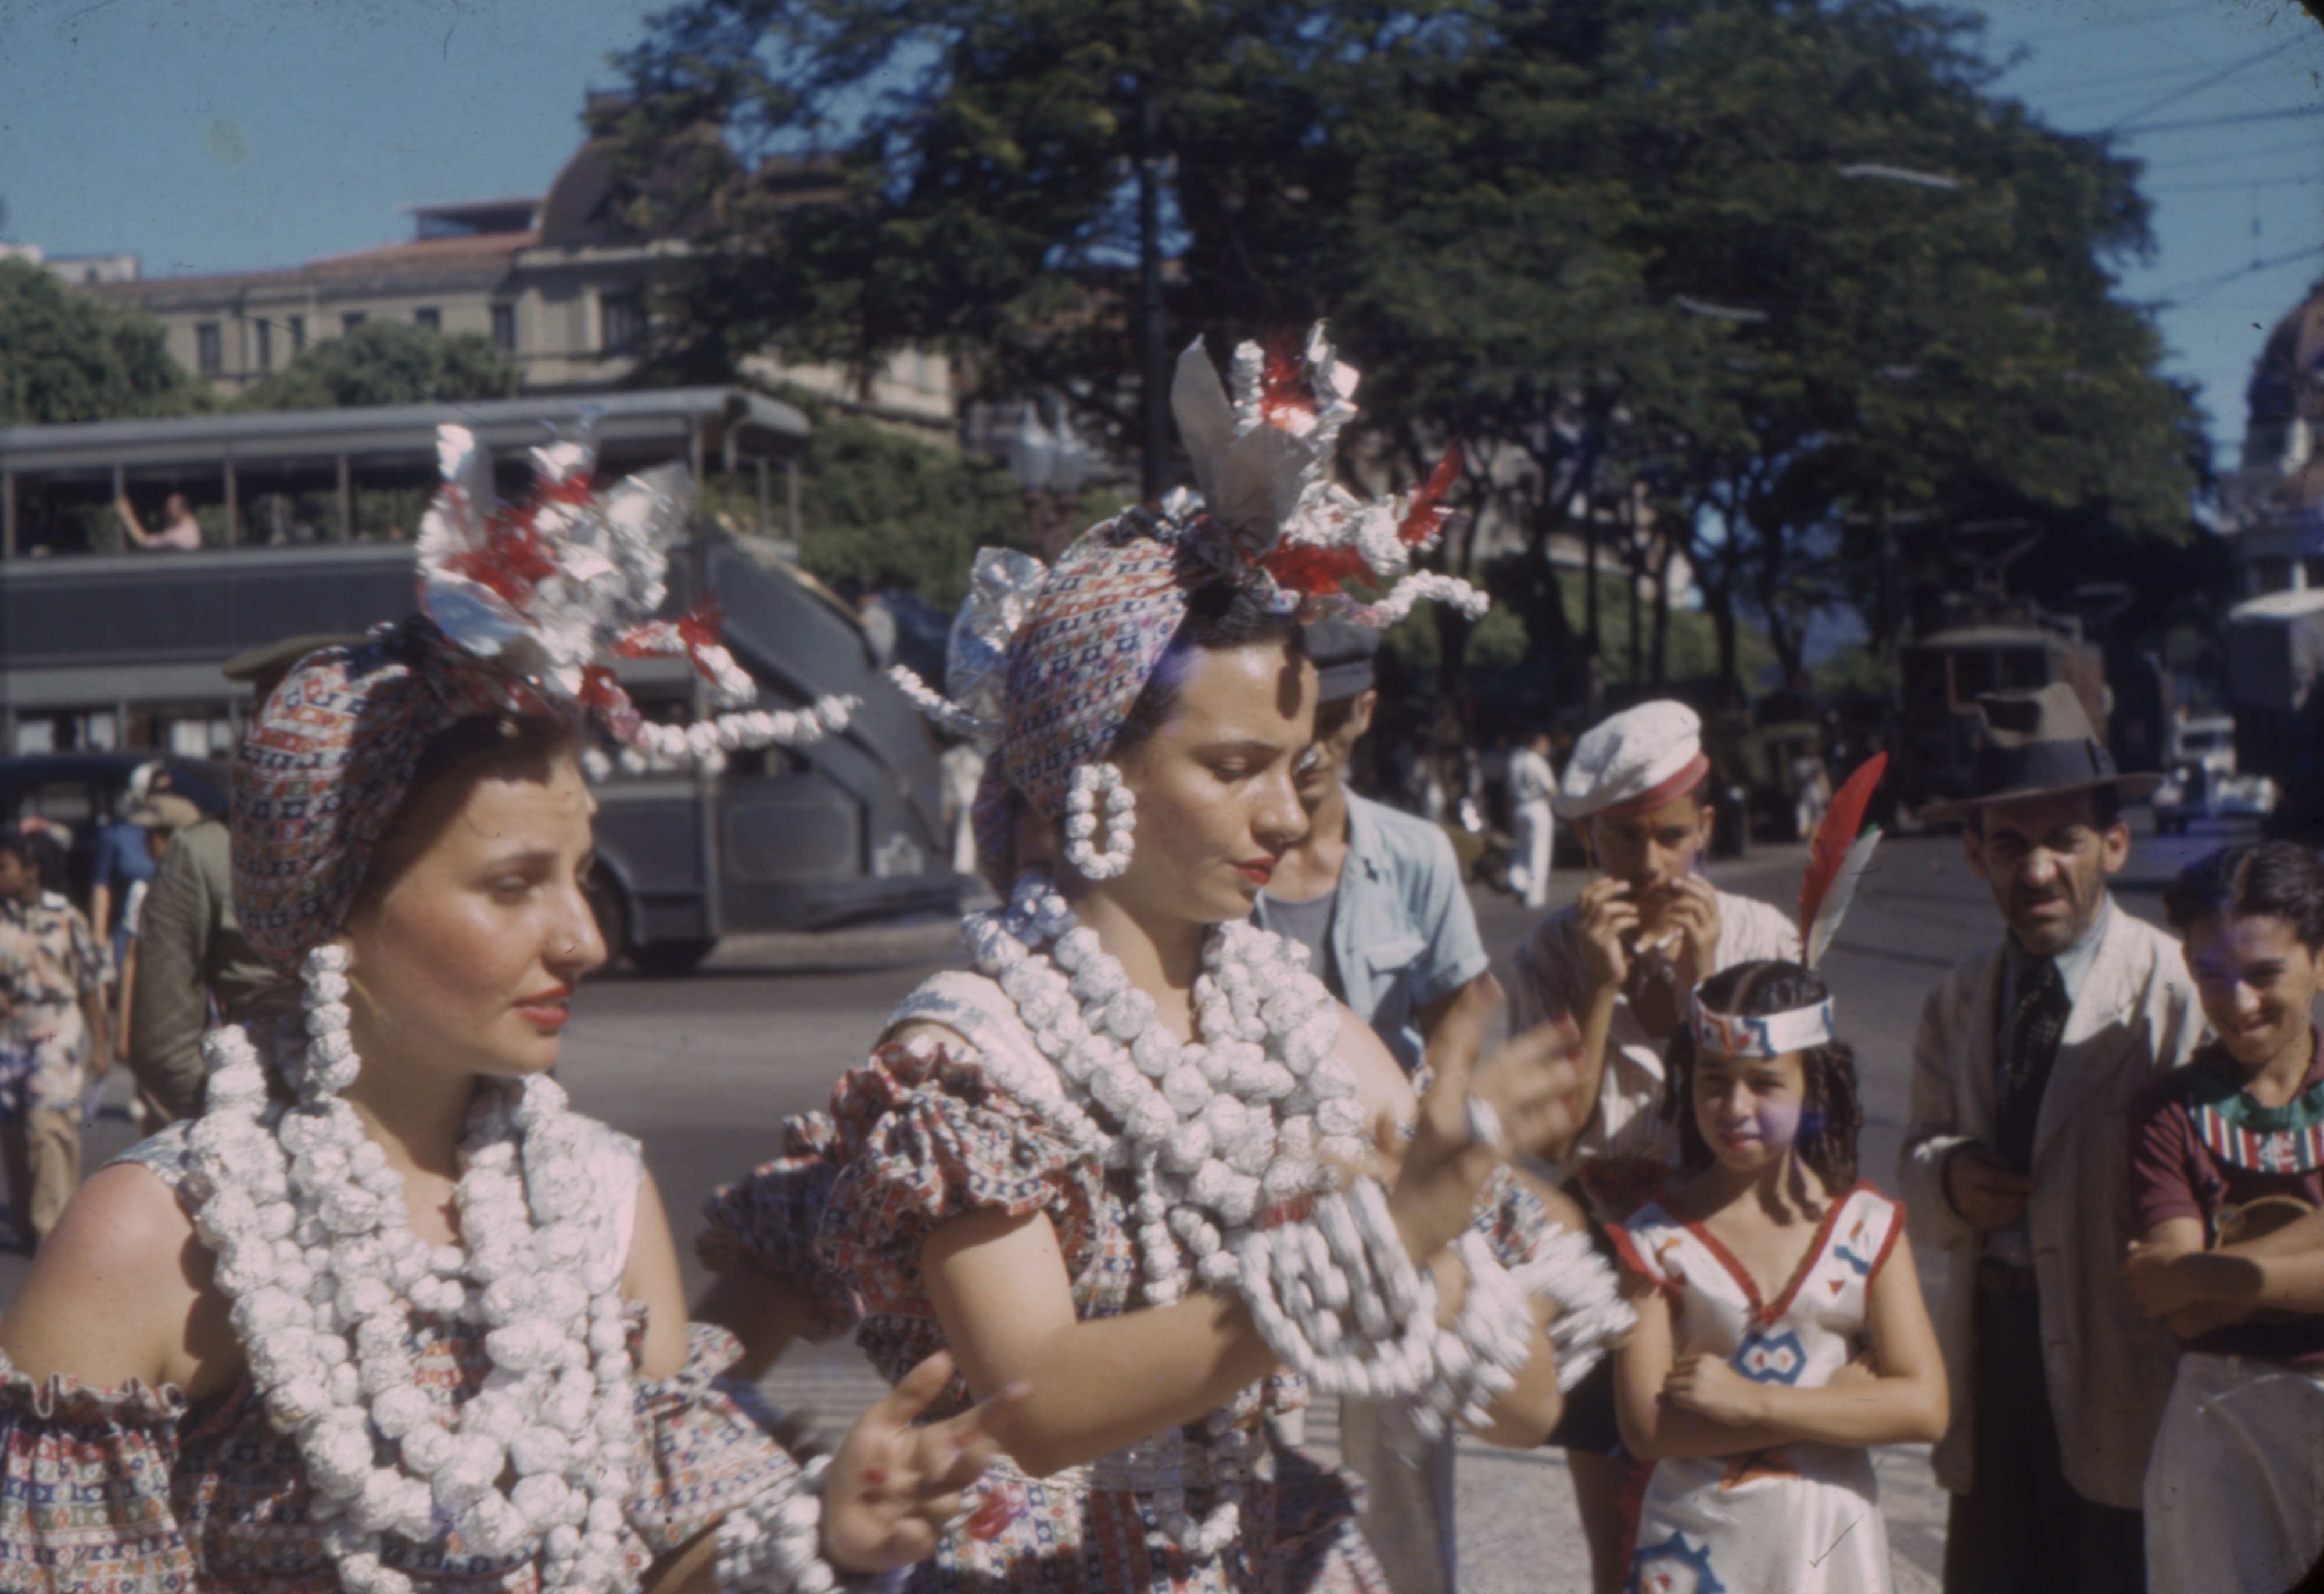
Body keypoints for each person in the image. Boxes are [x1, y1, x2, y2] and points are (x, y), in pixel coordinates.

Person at [697, 325, 1637, 1592]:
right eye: (1232, 768)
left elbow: (1523, 1404)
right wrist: (1378, 1238)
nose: (1287, 820)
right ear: (1095, 776)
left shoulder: (1283, 1023)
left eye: (1298, 771)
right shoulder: (969, 1051)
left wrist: (1444, 1223)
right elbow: (1034, 1397)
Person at [0, 424, 1010, 1591]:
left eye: (578, 875)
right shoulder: (155, 1238)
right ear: (336, 909)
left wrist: (822, 1532)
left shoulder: (594, 1200)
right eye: (512, 885)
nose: (581, 938)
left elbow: (661, 1552)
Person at [1899, 683, 2200, 1594]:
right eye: (2010, 845)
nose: (2037, 872)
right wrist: (1947, 1179)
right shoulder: (1956, 997)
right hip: (1993, 1356)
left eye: (2064, 840)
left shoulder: (2173, 990)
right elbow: (1914, 1156)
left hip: (2125, 1357)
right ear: (1974, 853)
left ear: (2114, 843)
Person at [1506, 698, 1799, 1594]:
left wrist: (1707, 989)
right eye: (1621, 841)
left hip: (1733, 1247)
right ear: (1589, 841)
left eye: (1671, 836)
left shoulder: (1761, 937)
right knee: (1621, 1540)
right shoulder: (1554, 953)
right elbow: (1552, 1135)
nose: (1650, 865)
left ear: (1706, 825)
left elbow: (1770, 1125)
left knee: (1736, 1514)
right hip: (1605, 1256)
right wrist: (1600, 993)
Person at [1251, 616, 1498, 1594]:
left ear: (1364, 714)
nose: (1306, 754)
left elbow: (1464, 999)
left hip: (1388, 1207)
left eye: (1329, 725)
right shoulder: (1222, 859)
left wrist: (1436, 1102)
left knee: (1399, 1472)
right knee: (1255, 1468)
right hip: (1253, 1206)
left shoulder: (1415, 853)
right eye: (1284, 725)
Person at [1613, 961, 1948, 1592]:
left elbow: (1926, 1405)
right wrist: (1831, 1404)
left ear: (1813, 1088)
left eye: (1765, 1083)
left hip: (1824, 1544)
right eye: (1713, 1080)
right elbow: (1646, 1425)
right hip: (1695, 1548)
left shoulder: (1868, 1228)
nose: (1734, 1107)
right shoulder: (1653, 1237)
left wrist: (1754, 1401)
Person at [2124, 842, 2324, 1593]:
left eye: (2266, 973)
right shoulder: (2168, 1111)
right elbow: (2184, 1315)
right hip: (2224, 1432)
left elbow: (2190, 1283)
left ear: (2321, 962)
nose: (2238, 1003)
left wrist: (2208, 1271)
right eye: (2211, 974)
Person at [128, 636, 357, 1130]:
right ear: (261, 727)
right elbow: (162, 1045)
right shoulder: (206, 851)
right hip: (267, 1123)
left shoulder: (403, 840)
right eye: (296, 721)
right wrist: (245, 1121)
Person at [0, 822, 110, 1250]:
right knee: (12, 1129)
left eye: (5, 866)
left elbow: (90, 984)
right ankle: (29, 1224)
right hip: (9, 1036)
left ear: (32, 869)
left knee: (48, 1123)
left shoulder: (66, 918)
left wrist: (101, 1045)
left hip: (55, 1030)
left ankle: (54, 1231)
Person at [105, 791, 200, 1118]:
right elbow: (132, 958)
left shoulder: (205, 893)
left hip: (200, 1022)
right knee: (157, 1118)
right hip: (158, 1017)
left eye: (154, 835)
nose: (146, 843)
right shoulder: (143, 891)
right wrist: (123, 1030)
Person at [90, 760, 166, 959]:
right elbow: (102, 887)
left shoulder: (177, 833)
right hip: (130, 934)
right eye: (157, 790)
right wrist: (99, 942)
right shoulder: (116, 835)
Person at [1505, 728, 1556, 910]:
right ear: (1535, 744)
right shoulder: (1536, 762)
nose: (1547, 748)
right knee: (1539, 852)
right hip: (1537, 806)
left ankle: (1518, 880)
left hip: (1520, 807)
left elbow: (1510, 791)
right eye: (1545, 744)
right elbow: (1547, 788)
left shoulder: (1515, 761)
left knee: (1522, 849)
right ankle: (1535, 895)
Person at [115, 490, 205, 550]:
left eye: (170, 509)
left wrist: (127, 514)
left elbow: (144, 541)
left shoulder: (181, 533)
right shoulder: (191, 527)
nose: (166, 513)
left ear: (181, 511)